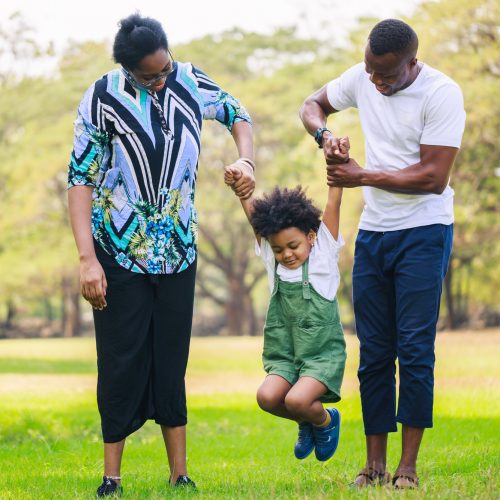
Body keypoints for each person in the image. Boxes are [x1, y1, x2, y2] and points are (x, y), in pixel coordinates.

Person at [67, 14, 254, 496]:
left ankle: (180, 472)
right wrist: (87, 259)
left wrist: (245, 157)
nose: (161, 81)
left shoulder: (189, 79)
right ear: (128, 70)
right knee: (119, 360)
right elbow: (81, 179)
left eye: (164, 69)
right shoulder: (102, 96)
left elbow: (237, 113)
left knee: (172, 360)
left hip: (178, 250)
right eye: (150, 76)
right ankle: (112, 477)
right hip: (118, 251)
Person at [300, 18, 466, 489]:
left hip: (425, 230)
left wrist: (363, 176)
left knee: (414, 349)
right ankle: (373, 465)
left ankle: (407, 467)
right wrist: (324, 137)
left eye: (386, 76)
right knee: (373, 352)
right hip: (375, 232)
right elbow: (311, 105)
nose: (375, 82)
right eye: (371, 72)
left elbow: (435, 177)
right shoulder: (363, 75)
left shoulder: (441, 93)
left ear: (411, 62)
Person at [224, 155, 348, 462]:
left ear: (310, 237)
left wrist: (337, 170)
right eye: (278, 249)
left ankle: (325, 420)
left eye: (293, 246)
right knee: (267, 398)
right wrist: (244, 190)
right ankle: (307, 419)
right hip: (286, 356)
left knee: (296, 400)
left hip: (321, 356)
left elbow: (333, 204)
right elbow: (255, 219)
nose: (286, 254)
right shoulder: (273, 263)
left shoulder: (322, 257)